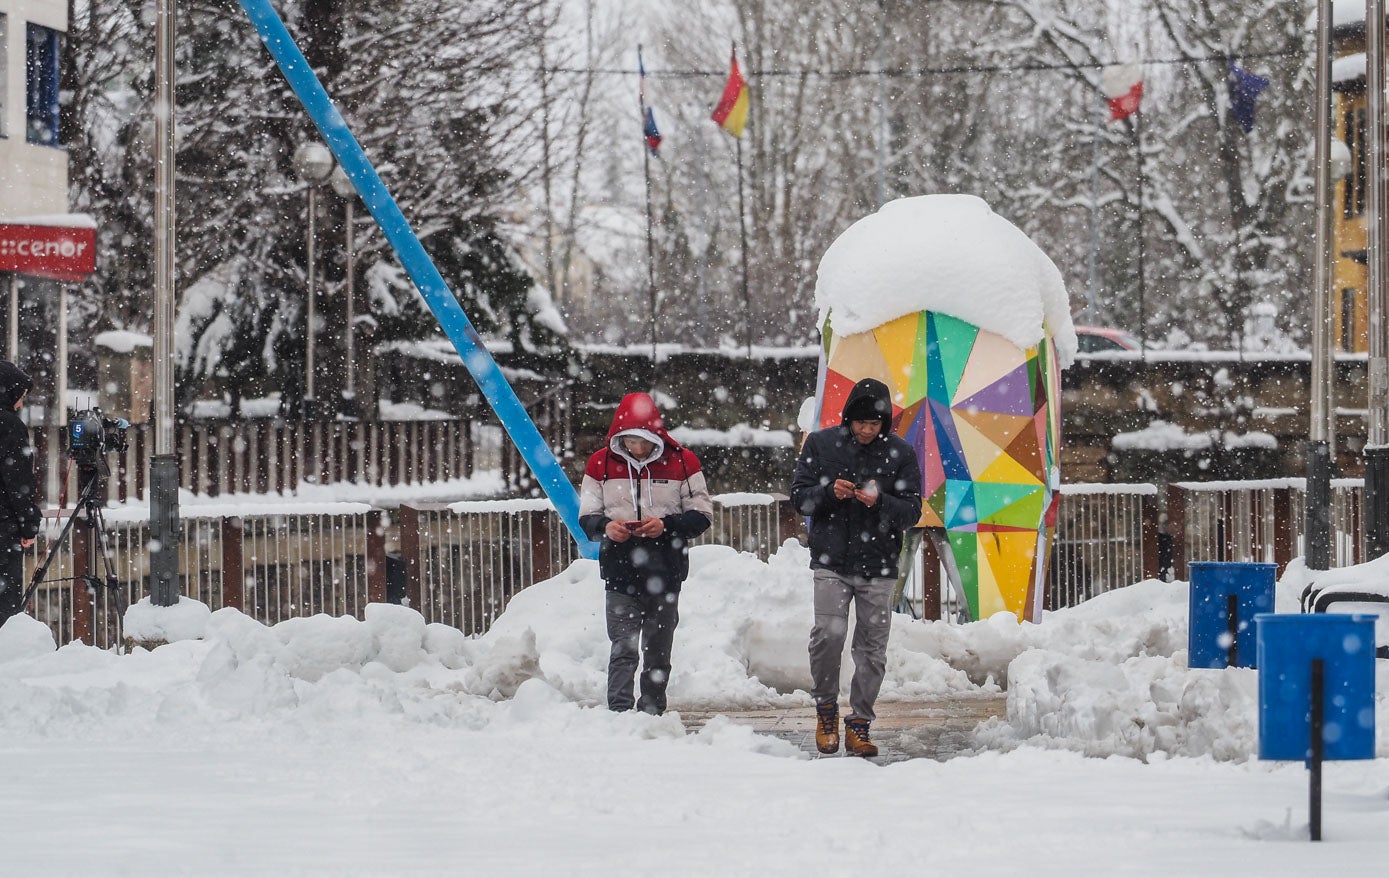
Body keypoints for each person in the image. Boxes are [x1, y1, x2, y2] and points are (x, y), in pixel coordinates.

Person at [790, 377, 923, 757]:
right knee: (828, 636)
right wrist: (829, 493)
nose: (867, 430)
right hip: (831, 560)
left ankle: (860, 723)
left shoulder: (900, 454)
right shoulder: (821, 443)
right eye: (861, 423)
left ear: (884, 424)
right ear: (848, 418)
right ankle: (826, 710)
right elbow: (800, 498)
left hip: (878, 564)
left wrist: (880, 502)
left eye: (874, 424)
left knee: (872, 649)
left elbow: (911, 511)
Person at [579, 392, 713, 715]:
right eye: (631, 441)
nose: (638, 448)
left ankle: (653, 711)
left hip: (665, 570)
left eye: (644, 440)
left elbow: (702, 515)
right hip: (619, 569)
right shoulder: (600, 464)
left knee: (658, 650)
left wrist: (665, 526)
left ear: (657, 435)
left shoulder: (683, 461)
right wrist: (606, 527)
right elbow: (586, 515)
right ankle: (619, 712)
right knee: (623, 648)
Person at [0, 360, 40, 628]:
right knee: (5, 606)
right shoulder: (9, 426)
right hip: (3, 529)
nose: (21, 405)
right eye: (20, 397)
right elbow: (18, 482)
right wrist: (29, 525)